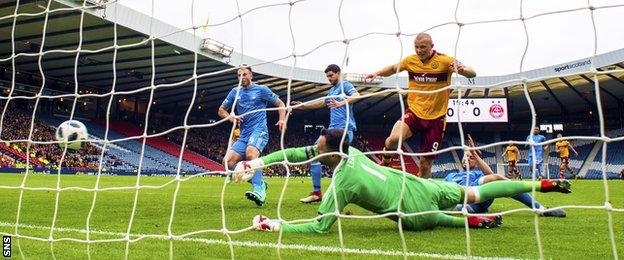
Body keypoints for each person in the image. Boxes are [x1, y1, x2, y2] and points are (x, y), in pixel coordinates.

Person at [232, 129, 571, 233]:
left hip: (414, 208)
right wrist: (257, 162)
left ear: (329, 155)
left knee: (434, 218)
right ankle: (540, 185)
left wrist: (275, 225)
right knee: (480, 187)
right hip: (423, 185)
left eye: (317, 150)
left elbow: (320, 228)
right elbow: (294, 153)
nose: (312, 152)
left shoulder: (342, 184)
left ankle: (469, 221)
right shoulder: (348, 151)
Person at [364, 33, 476, 179]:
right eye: (416, 47)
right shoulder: (410, 61)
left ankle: (422, 195)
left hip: (436, 119)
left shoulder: (444, 61)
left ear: (431, 46)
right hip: (415, 113)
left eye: (422, 47)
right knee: (393, 139)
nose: (419, 50)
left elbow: (472, 73)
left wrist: (463, 70)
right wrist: (376, 73)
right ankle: (386, 161)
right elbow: (393, 68)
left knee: (425, 164)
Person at [446, 135, 566, 217]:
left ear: (477, 162)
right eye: (467, 156)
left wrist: (476, 156)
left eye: (472, 158)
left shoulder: (478, 174)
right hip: (457, 199)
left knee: (494, 179)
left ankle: (541, 208)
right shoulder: (451, 175)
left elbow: (491, 176)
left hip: (475, 197)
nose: (468, 158)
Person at [291, 64, 361, 203]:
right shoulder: (332, 90)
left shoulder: (345, 86)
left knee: (342, 161)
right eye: (327, 76)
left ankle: (346, 191)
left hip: (345, 129)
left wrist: (341, 103)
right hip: (331, 130)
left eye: (331, 75)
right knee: (314, 154)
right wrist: (303, 105)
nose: (329, 78)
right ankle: (317, 193)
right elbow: (321, 103)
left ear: (338, 73)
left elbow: (357, 95)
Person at [218, 65, 286, 206]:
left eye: (245, 74)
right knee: (227, 162)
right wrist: (231, 117)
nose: (242, 77)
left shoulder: (261, 90)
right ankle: (260, 182)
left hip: (259, 129)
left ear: (251, 75)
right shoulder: (235, 92)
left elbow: (280, 103)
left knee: (251, 155)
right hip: (244, 134)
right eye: (239, 75)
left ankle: (259, 190)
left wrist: (281, 119)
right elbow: (221, 110)